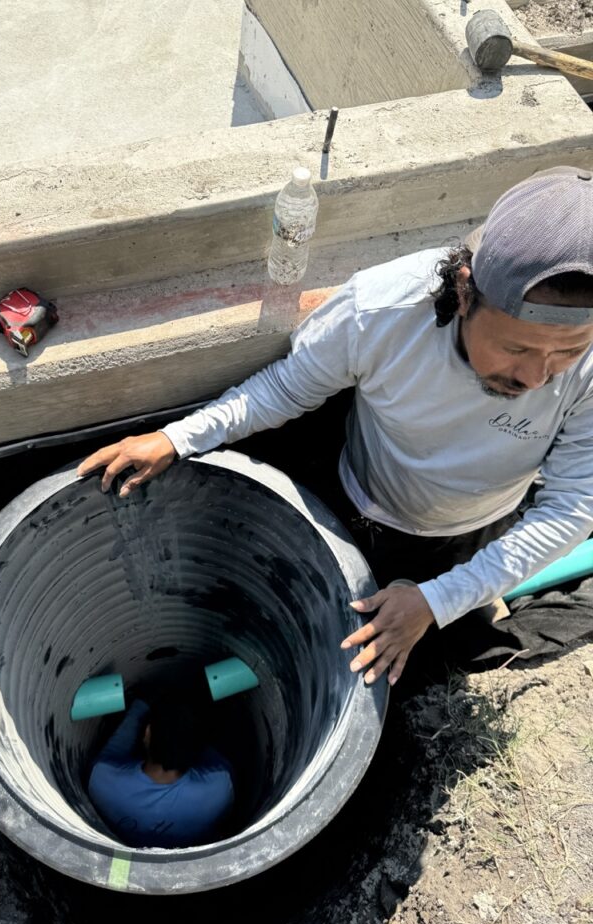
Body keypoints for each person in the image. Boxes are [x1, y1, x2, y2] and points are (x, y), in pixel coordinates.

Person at [77, 167, 593, 687]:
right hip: (350, 499)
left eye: (567, 352)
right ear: (464, 292)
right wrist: (177, 437)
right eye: (516, 348)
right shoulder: (380, 311)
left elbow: (574, 504)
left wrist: (436, 600)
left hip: (467, 535)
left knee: (406, 660)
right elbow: (285, 389)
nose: (534, 377)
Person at [88, 695, 234, 848]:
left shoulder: (101, 781)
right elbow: (218, 758)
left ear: (147, 733)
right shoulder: (220, 790)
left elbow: (110, 755)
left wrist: (140, 706)